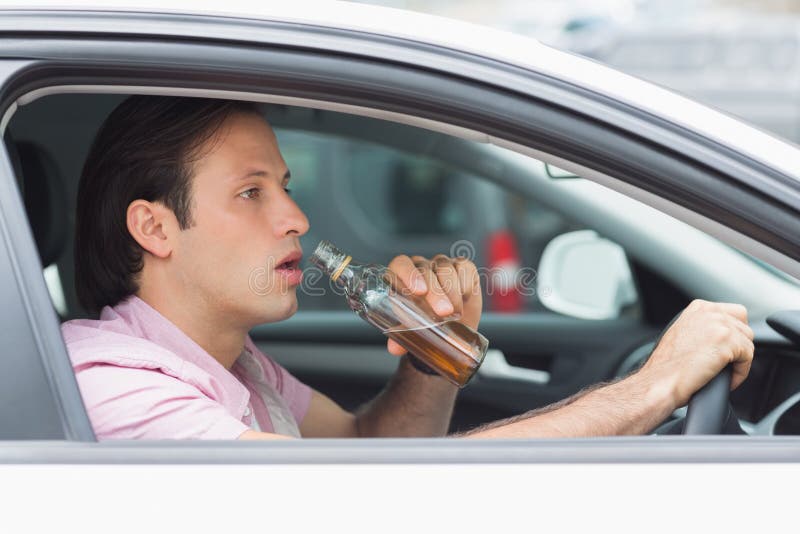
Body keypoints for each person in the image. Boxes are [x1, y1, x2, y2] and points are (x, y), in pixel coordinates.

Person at [61, 96, 755, 440]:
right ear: (154, 227)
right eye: (251, 193)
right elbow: (379, 498)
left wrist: (429, 359)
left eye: (285, 187)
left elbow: (363, 449)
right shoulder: (116, 389)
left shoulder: (233, 361)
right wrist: (652, 389)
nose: (295, 217)